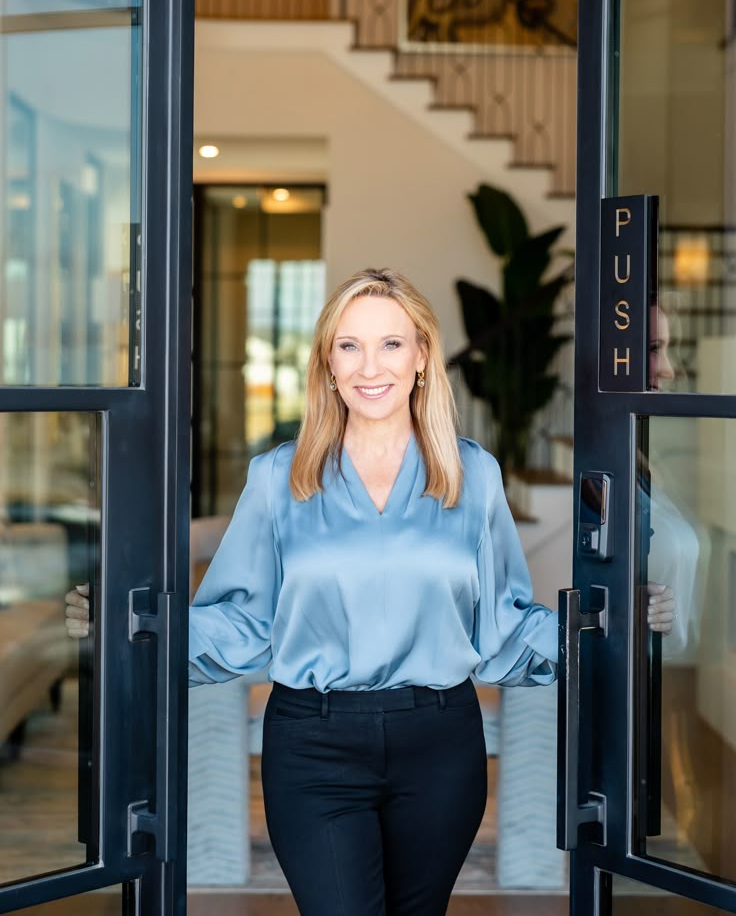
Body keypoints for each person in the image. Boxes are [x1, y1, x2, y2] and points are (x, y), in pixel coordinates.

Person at [66, 267, 674, 915]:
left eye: (390, 343)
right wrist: (130, 622)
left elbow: (501, 621)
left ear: (420, 357)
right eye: (348, 345)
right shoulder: (279, 477)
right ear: (328, 363)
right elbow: (244, 621)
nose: (368, 365)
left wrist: (610, 621)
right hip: (312, 743)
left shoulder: (473, 474)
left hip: (441, 742)